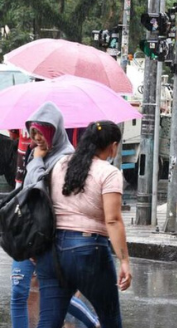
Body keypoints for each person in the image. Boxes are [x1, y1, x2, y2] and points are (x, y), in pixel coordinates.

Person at [36, 120, 131, 328]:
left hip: (51, 251)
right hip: (88, 249)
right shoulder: (109, 172)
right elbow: (113, 220)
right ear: (113, 146)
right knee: (110, 318)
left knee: (49, 321)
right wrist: (124, 261)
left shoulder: (60, 165)